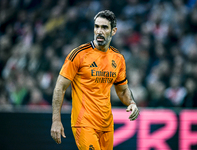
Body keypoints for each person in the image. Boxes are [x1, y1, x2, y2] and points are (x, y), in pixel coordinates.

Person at [51, 10, 139, 150]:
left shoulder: (118, 58)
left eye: (104, 27)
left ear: (113, 31)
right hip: (84, 123)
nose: (99, 31)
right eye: (97, 26)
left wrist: (132, 102)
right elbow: (59, 88)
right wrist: (56, 120)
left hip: (106, 124)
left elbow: (122, 91)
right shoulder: (79, 54)